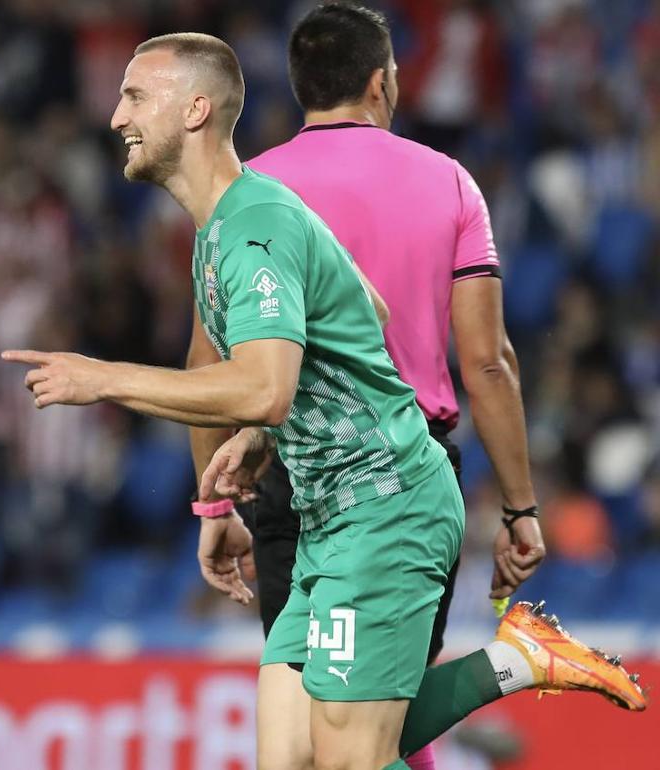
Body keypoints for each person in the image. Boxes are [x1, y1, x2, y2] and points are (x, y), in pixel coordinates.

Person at [3, 33, 647, 770]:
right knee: (295, 758)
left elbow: (266, 386)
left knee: (347, 761)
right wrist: (260, 436)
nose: (117, 115)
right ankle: (514, 661)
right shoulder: (234, 222)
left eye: (135, 96)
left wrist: (105, 379)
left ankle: (512, 662)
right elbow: (365, 309)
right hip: (323, 513)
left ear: (196, 110)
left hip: (385, 503)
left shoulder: (255, 224)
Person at [214, 5, 540, 768]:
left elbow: (215, 365)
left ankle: (512, 667)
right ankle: (512, 665)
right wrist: (520, 506)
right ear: (382, 81)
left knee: (340, 729)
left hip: (290, 471)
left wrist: (217, 504)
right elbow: (488, 361)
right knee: (339, 729)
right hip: (404, 468)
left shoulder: (249, 194)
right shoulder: (450, 183)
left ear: (299, 87)